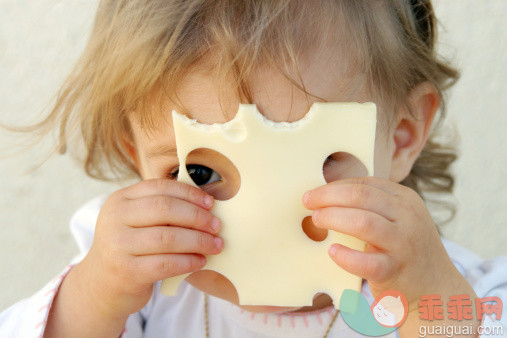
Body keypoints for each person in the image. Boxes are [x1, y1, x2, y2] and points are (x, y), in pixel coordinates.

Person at [1, 0, 506, 337]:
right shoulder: (136, 282)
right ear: (136, 153)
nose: (264, 215)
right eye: (200, 173)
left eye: (322, 160)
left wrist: (431, 303)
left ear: (401, 137)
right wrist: (95, 293)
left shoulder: (464, 292)